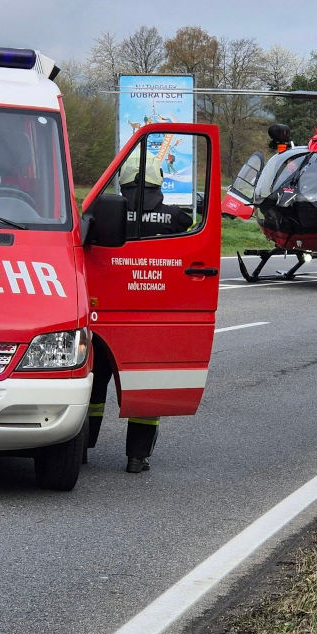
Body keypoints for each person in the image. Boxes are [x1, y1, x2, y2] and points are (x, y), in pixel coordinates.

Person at [86, 149, 193, 473]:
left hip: (106, 313)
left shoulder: (101, 213)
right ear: (158, 182)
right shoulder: (177, 218)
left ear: (124, 183)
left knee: (94, 382)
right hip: (152, 313)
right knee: (148, 383)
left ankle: (82, 450)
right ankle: (137, 457)